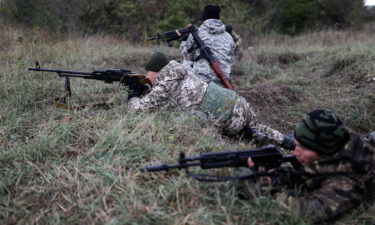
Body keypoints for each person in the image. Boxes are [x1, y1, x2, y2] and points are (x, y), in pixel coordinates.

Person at [127, 52, 294, 148]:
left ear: (156, 71)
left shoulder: (164, 85)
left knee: (239, 130)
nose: (147, 78)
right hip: (237, 101)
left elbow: (138, 109)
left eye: (148, 74)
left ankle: (253, 136)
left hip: (227, 118)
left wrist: (134, 95)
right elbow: (174, 97)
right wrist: (149, 88)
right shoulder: (183, 71)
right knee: (253, 125)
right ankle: (288, 142)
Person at [244, 110, 375, 222]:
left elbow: (305, 213)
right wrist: (275, 176)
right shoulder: (338, 143)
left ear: (322, 150)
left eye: (303, 147)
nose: (295, 152)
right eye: (296, 144)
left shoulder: (347, 181)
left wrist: (261, 189)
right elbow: (309, 174)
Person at [179, 4, 235, 85]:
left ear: (204, 16)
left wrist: (183, 41)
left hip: (202, 82)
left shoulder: (197, 33)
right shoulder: (229, 37)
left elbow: (187, 56)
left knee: (186, 62)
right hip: (223, 80)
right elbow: (231, 58)